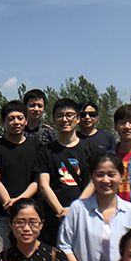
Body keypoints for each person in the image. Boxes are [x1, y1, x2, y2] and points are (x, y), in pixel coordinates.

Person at [36, 98, 101, 246]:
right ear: (53, 120)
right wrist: (60, 211)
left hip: (85, 214)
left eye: (69, 115)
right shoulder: (46, 151)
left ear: (78, 119)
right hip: (54, 217)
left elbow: (94, 182)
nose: (64, 119)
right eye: (60, 115)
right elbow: (44, 185)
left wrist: (74, 210)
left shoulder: (91, 149)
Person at [0, 100, 40, 252]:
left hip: (29, 214)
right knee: (1, 257)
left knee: (28, 257)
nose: (16, 122)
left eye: (20, 118)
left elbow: (37, 181)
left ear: (26, 121)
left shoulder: (36, 146)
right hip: (1, 214)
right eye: (11, 118)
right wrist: (9, 204)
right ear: (3, 122)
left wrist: (19, 204)